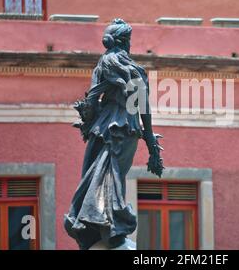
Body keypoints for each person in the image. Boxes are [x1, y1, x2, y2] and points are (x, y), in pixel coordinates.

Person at [64, 19, 164, 250]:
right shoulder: (134, 69)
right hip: (126, 129)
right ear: (125, 41)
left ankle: (99, 226)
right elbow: (143, 109)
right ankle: (110, 226)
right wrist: (150, 143)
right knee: (111, 177)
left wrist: (88, 123)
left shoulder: (104, 64)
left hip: (103, 128)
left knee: (95, 176)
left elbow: (91, 99)